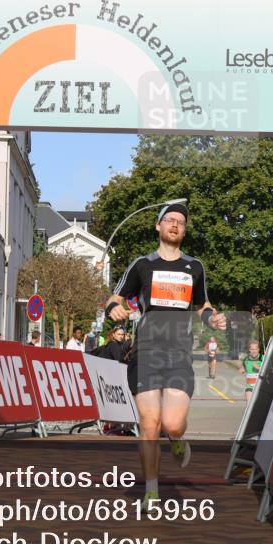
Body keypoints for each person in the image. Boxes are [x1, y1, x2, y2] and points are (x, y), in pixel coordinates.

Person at [104, 201, 225, 509]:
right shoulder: (142, 265)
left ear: (184, 231)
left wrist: (212, 318)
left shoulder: (194, 267)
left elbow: (203, 305)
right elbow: (114, 298)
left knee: (171, 424)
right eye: (169, 220)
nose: (175, 225)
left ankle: (176, 438)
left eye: (180, 222)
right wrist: (113, 309)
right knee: (149, 423)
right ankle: (152, 490)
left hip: (179, 353)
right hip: (146, 352)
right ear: (158, 226)